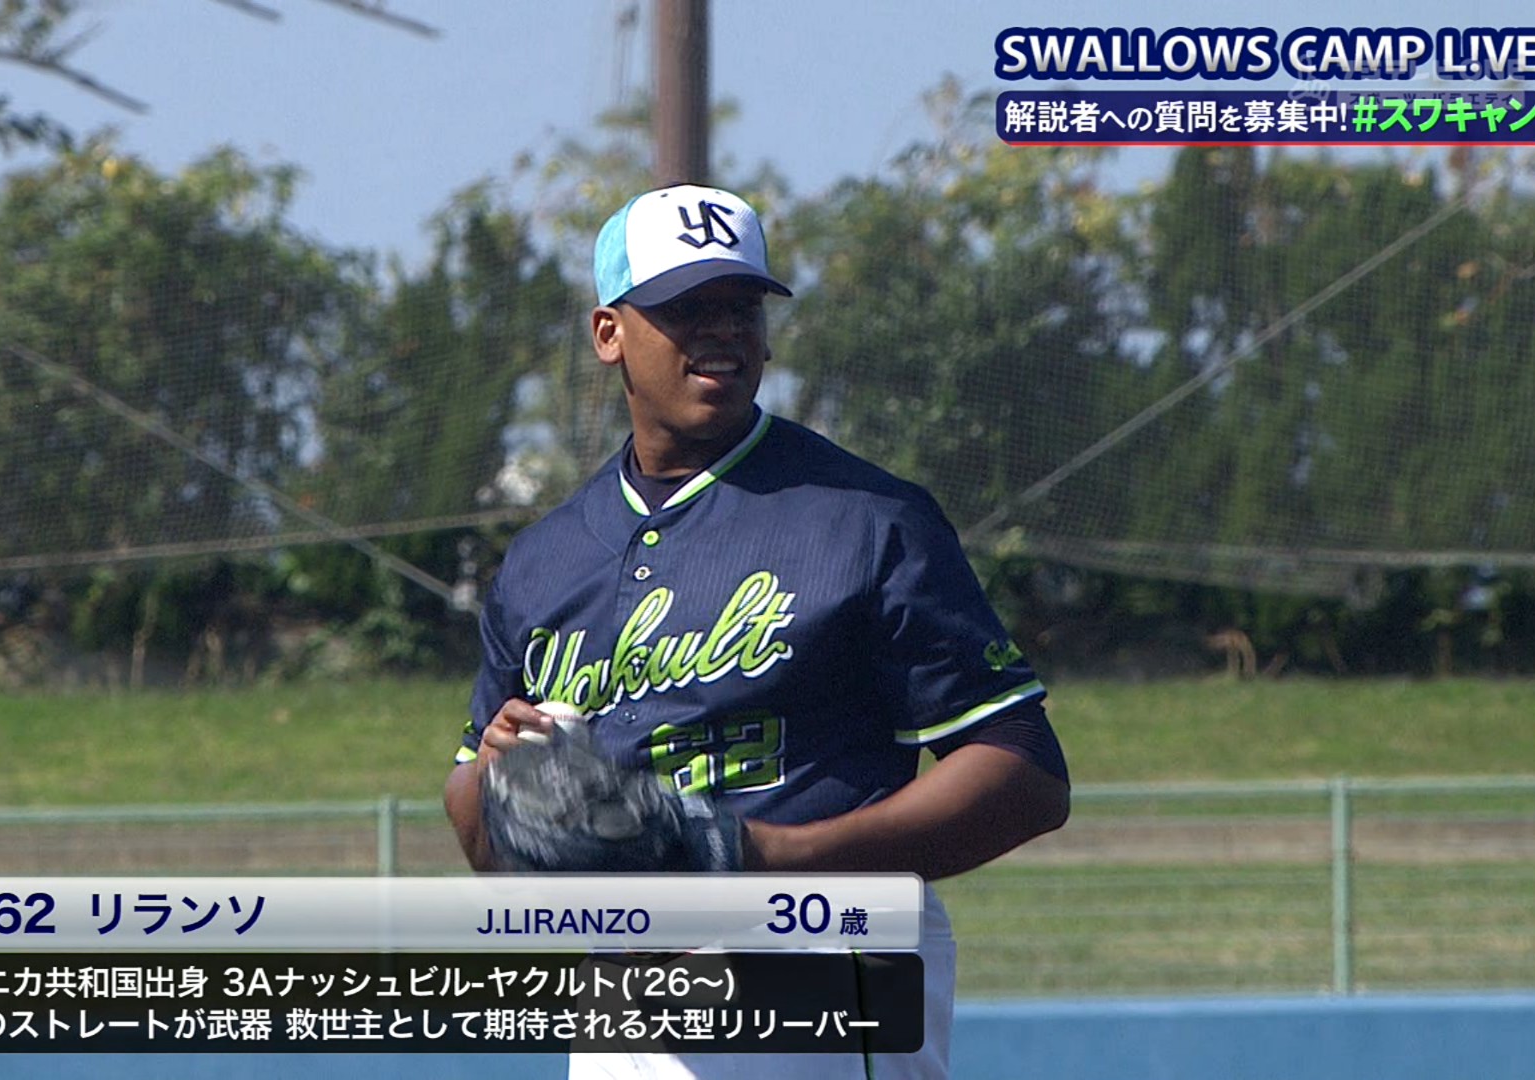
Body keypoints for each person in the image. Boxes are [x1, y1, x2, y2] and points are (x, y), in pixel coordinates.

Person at [443, 183, 1071, 1079]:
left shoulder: (866, 518)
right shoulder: (543, 561)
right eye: (684, 308)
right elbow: (483, 836)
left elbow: (1025, 772)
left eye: (741, 306)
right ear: (609, 334)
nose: (721, 332)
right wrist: (500, 779)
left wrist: (772, 859)